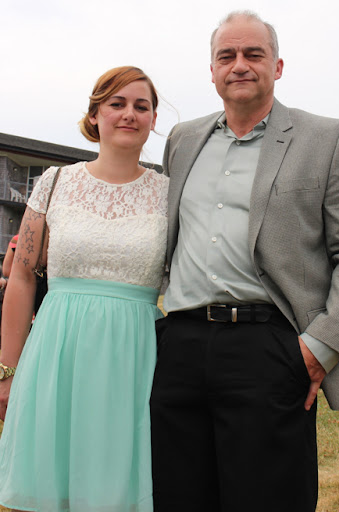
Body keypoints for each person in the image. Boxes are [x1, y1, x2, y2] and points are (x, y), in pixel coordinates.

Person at [150, 11, 339, 512]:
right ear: (212, 71)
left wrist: (321, 346)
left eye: (253, 54)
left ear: (277, 66)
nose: (239, 65)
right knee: (177, 496)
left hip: (270, 346)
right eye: (226, 56)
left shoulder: (327, 138)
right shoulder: (182, 140)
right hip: (180, 348)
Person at [0, 66, 168, 512]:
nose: (129, 114)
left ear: (153, 119)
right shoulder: (55, 182)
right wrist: (7, 371)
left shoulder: (170, 194)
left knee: (121, 486)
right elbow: (22, 276)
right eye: (116, 103)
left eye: (141, 106)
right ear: (94, 114)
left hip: (135, 357)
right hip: (58, 352)